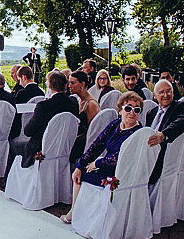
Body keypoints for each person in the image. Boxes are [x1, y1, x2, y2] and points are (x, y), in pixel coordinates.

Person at [61, 92, 145, 222]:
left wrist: (96, 164)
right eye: (128, 108)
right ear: (120, 110)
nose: (132, 112)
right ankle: (75, 210)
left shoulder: (137, 132)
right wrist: (80, 165)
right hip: (107, 165)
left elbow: (120, 158)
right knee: (78, 172)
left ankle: (76, 213)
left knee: (84, 174)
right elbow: (97, 145)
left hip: (121, 172)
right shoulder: (115, 124)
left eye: (136, 109)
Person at [10, 71, 77, 169]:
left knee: (14, 147)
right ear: (65, 85)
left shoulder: (43, 106)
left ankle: (10, 180)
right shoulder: (73, 103)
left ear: (49, 85)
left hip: (42, 149)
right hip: (65, 148)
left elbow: (28, 131)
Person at [144, 78, 184, 184]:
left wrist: (164, 135)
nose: (166, 95)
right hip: (147, 152)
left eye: (168, 91)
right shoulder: (151, 113)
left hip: (162, 155)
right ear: (154, 95)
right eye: (161, 92)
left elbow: (182, 121)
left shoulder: (180, 107)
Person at [68, 70, 100, 162]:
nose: (69, 86)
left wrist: (73, 139)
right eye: (69, 82)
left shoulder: (91, 104)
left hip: (83, 145)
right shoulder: (78, 99)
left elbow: (92, 131)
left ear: (82, 84)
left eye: (72, 83)